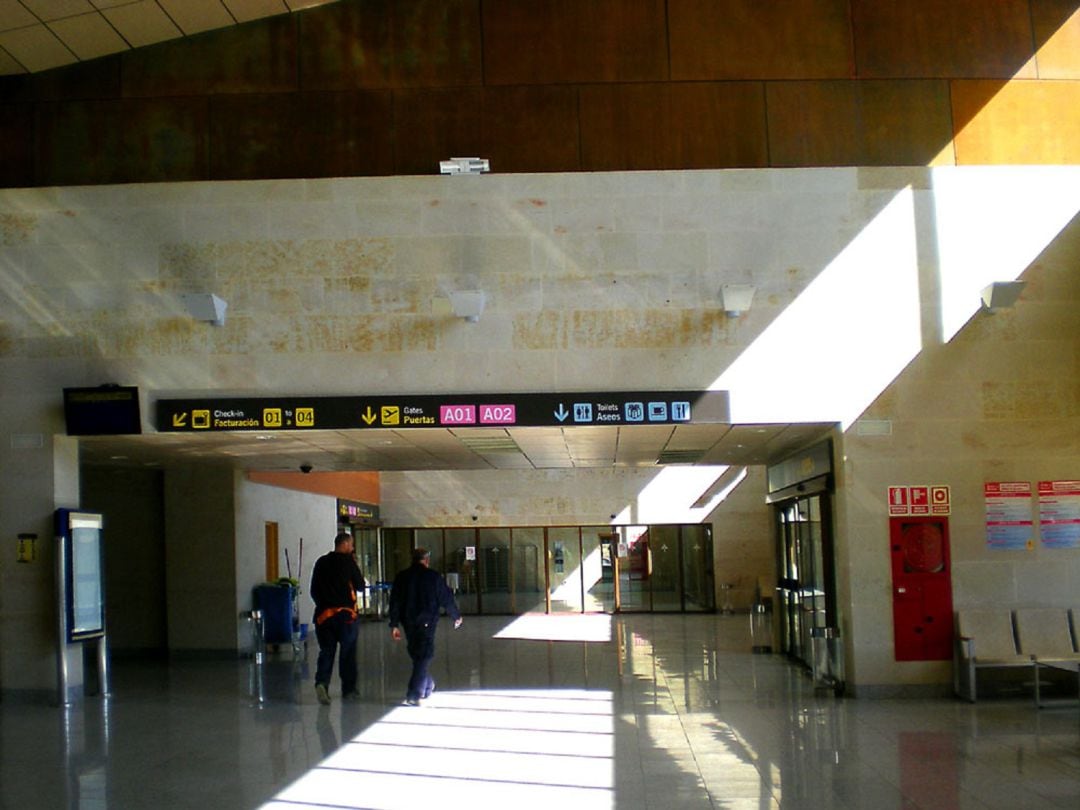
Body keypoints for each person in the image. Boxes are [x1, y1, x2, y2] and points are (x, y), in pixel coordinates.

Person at [388, 547, 462, 706]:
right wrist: (456, 616)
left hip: (408, 622)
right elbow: (446, 598)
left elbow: (395, 602)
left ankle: (428, 685)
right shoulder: (433, 577)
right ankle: (414, 694)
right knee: (425, 655)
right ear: (426, 560)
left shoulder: (402, 577)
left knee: (417, 654)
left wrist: (394, 624)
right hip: (427, 621)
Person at [309, 531, 365, 705]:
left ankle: (322, 683)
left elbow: (313, 590)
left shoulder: (321, 562)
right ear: (346, 544)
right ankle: (348, 689)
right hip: (346, 616)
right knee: (347, 653)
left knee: (326, 651)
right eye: (352, 544)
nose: (353, 548)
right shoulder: (348, 562)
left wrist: (324, 605)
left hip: (323, 616)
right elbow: (361, 586)